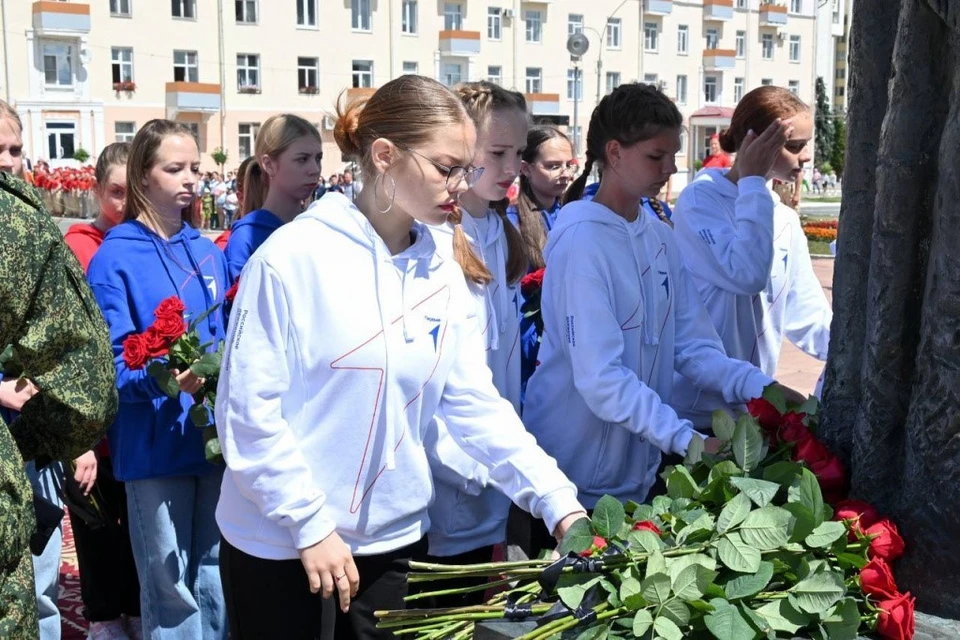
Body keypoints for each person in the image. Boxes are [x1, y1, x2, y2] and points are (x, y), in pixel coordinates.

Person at [214, 75, 586, 639]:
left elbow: (472, 401)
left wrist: (557, 501)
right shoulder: (293, 257)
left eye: (466, 167)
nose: (461, 184)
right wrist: (310, 525)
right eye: (446, 167)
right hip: (281, 543)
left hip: (393, 541)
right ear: (385, 156)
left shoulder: (439, 263)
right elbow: (248, 414)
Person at [522, 83, 802, 550]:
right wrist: (687, 439)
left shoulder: (657, 234)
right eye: (657, 156)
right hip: (569, 482)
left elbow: (693, 346)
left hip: (634, 470)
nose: (671, 169)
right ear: (614, 153)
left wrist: (761, 388)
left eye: (674, 154)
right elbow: (601, 378)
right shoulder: (582, 242)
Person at [86, 119, 229, 640]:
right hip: (153, 450)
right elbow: (111, 369)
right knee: (171, 588)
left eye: (195, 167)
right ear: (143, 178)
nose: (191, 179)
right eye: (175, 169)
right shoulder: (113, 260)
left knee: (215, 576)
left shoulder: (209, 252)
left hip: (211, 444)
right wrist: (164, 377)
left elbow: (224, 338)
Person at [0, 101, 117, 640]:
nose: (7, 162)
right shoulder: (25, 228)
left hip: (27, 436)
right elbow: (82, 369)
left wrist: (57, 436)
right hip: (20, 428)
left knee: (36, 582)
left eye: (15, 149)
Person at [422, 81, 529, 605]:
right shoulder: (436, 240)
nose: (512, 166)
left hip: (491, 472)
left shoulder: (497, 229)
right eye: (497, 153)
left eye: (519, 153)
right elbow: (439, 372)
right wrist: (467, 466)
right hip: (450, 479)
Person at [671, 86, 831, 429]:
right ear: (755, 142)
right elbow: (746, 273)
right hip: (695, 412)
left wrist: (857, 354)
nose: (805, 158)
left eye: (806, 145)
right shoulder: (700, 202)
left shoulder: (783, 218)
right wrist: (754, 181)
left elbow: (808, 316)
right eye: (794, 146)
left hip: (753, 408)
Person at [63, 143, 143, 640]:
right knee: (93, 529)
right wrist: (79, 436)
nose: (123, 203)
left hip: (133, 421)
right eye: (114, 192)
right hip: (91, 426)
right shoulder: (78, 246)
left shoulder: (144, 240)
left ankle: (133, 611)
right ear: (96, 191)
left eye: (130, 192)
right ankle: (102, 618)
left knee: (137, 533)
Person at [504, 126, 577, 399]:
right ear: (526, 168)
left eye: (568, 165)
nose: (565, 174)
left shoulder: (575, 214)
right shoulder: (512, 223)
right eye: (553, 166)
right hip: (530, 346)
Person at [223, 115, 322, 282]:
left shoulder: (318, 227)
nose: (314, 169)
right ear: (269, 164)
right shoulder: (247, 237)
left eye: (318, 158)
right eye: (302, 159)